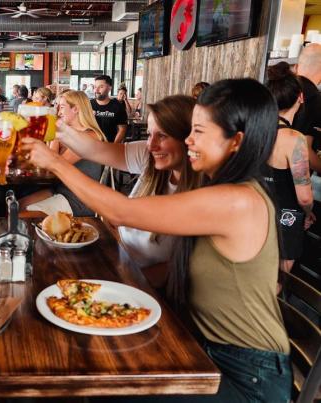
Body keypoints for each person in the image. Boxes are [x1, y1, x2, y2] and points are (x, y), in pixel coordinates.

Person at [23, 79, 292, 402]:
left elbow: (120, 211)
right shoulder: (220, 186)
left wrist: (54, 163)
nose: (188, 140)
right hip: (202, 347)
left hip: (245, 375)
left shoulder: (237, 200)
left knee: (102, 388)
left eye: (199, 132)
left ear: (236, 141)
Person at [46, 95, 202, 276]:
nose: (151, 145)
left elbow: (119, 213)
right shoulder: (149, 156)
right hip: (119, 262)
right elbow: (94, 150)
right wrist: (53, 126)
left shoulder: (205, 193)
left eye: (163, 135)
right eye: (150, 134)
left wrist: (54, 162)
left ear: (189, 139)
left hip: (141, 285)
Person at [20, 90, 104, 217]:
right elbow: (50, 162)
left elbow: (53, 166)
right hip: (61, 190)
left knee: (23, 215)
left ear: (76, 109)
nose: (57, 111)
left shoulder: (90, 136)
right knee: (18, 205)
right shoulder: (68, 133)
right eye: (57, 106)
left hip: (80, 199)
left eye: (62, 107)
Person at [265, 62, 315, 272]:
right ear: (300, 98)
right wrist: (308, 213)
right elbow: (304, 197)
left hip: (258, 213)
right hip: (286, 219)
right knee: (277, 280)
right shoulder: (294, 139)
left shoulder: (256, 131)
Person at [294, 43, 321, 174]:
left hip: (258, 178)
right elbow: (304, 151)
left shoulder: (275, 89)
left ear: (295, 67)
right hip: (293, 181)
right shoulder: (317, 101)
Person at [90, 75, 128, 143]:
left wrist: (113, 146)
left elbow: (122, 129)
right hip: (91, 144)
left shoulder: (118, 106)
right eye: (95, 87)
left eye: (101, 87)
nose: (96, 90)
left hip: (110, 144)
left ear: (109, 88)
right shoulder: (88, 105)